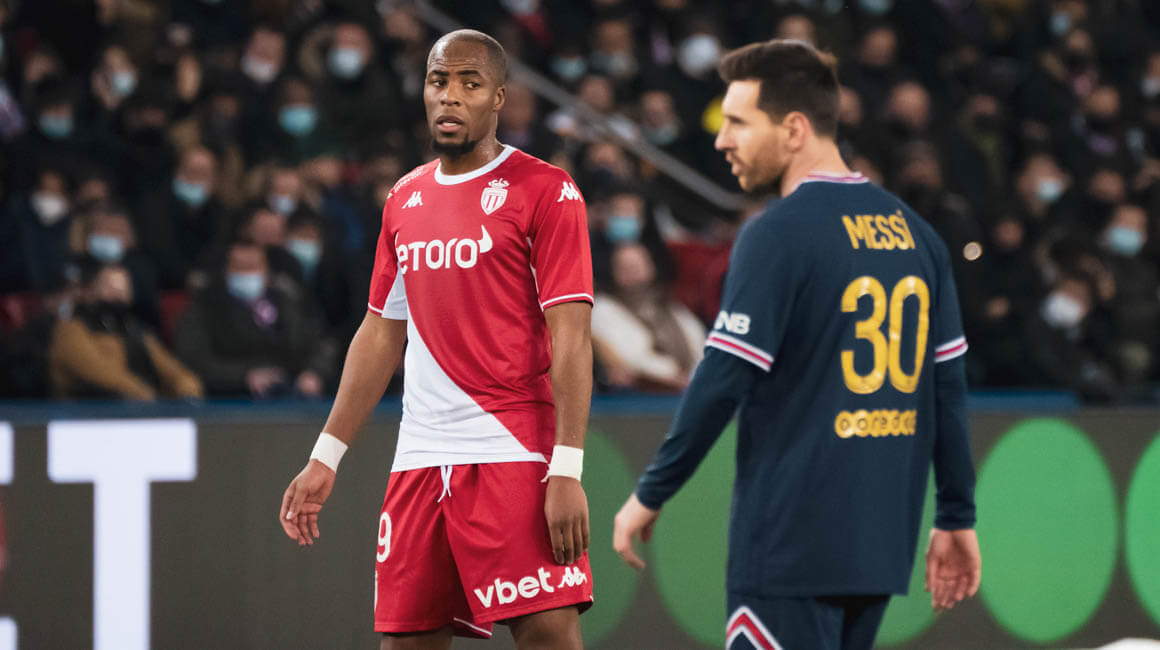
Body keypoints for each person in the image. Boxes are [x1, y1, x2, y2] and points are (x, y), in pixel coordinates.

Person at [612, 39, 982, 650]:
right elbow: (946, 389)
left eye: (738, 122)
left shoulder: (777, 234)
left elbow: (721, 380)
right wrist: (956, 514)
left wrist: (651, 492)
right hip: (877, 548)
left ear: (794, 129)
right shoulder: (918, 237)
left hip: (790, 544)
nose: (721, 140)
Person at [277, 30, 595, 649]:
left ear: (498, 98)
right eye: (438, 81)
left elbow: (572, 337)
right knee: (407, 643)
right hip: (419, 455)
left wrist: (567, 467)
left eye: (469, 83)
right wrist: (325, 456)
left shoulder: (546, 190)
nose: (450, 96)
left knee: (547, 635)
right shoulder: (405, 197)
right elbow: (380, 332)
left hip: (512, 447)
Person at [48, 262, 202, 400]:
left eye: (123, 289)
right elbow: (101, 374)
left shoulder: (135, 330)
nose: (118, 295)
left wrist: (187, 388)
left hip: (141, 410)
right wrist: (146, 396)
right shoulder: (71, 330)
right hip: (88, 413)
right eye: (109, 288)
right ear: (89, 292)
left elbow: (170, 368)